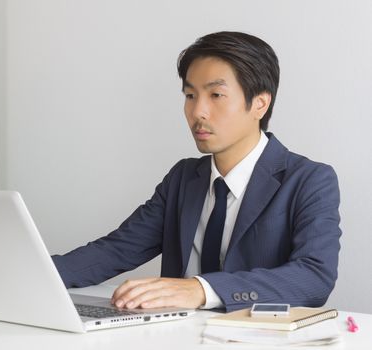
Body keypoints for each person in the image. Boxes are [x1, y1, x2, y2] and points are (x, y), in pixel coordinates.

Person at [52, 31, 342, 312]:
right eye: (190, 95)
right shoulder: (184, 178)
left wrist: (201, 289)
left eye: (216, 95)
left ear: (259, 104)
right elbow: (115, 251)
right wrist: (27, 272)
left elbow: (314, 277)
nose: (198, 112)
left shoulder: (309, 180)